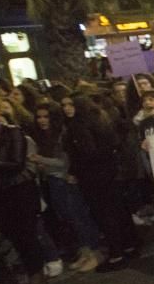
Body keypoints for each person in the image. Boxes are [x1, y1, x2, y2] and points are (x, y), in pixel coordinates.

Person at [61, 94, 139, 272]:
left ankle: (116, 254)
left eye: (71, 104)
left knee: (105, 215)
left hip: (94, 177)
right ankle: (129, 245)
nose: (66, 108)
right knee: (118, 210)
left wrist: (74, 170)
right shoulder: (99, 119)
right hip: (108, 173)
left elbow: (86, 153)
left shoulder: (78, 126)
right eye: (64, 105)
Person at [0, 95, 48, 284]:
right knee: (12, 238)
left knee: (26, 237)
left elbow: (17, 163)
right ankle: (27, 278)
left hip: (18, 193)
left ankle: (37, 281)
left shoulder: (12, 132)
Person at [29, 103, 103, 273]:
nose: (42, 120)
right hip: (53, 180)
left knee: (79, 217)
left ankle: (95, 252)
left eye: (46, 116)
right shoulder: (42, 136)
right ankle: (85, 251)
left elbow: (63, 162)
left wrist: (40, 160)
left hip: (65, 180)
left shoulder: (61, 134)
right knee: (70, 218)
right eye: (39, 117)